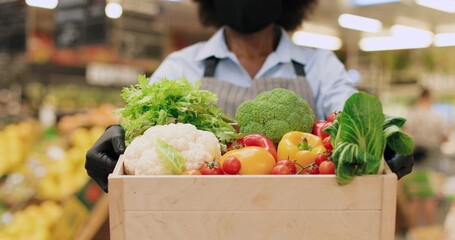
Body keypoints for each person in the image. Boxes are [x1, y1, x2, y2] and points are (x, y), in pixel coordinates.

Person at [85, 0, 414, 192]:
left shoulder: (319, 64)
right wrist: (117, 135)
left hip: (303, 223)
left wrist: (379, 137)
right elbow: (139, 124)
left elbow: (348, 109)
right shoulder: (182, 64)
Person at [401, 86, 448, 228]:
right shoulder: (437, 116)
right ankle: (428, 233)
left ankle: (413, 232)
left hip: (415, 157)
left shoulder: (412, 114)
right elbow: (444, 137)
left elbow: (406, 135)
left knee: (415, 195)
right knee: (430, 195)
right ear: (430, 97)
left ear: (420, 97)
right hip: (433, 158)